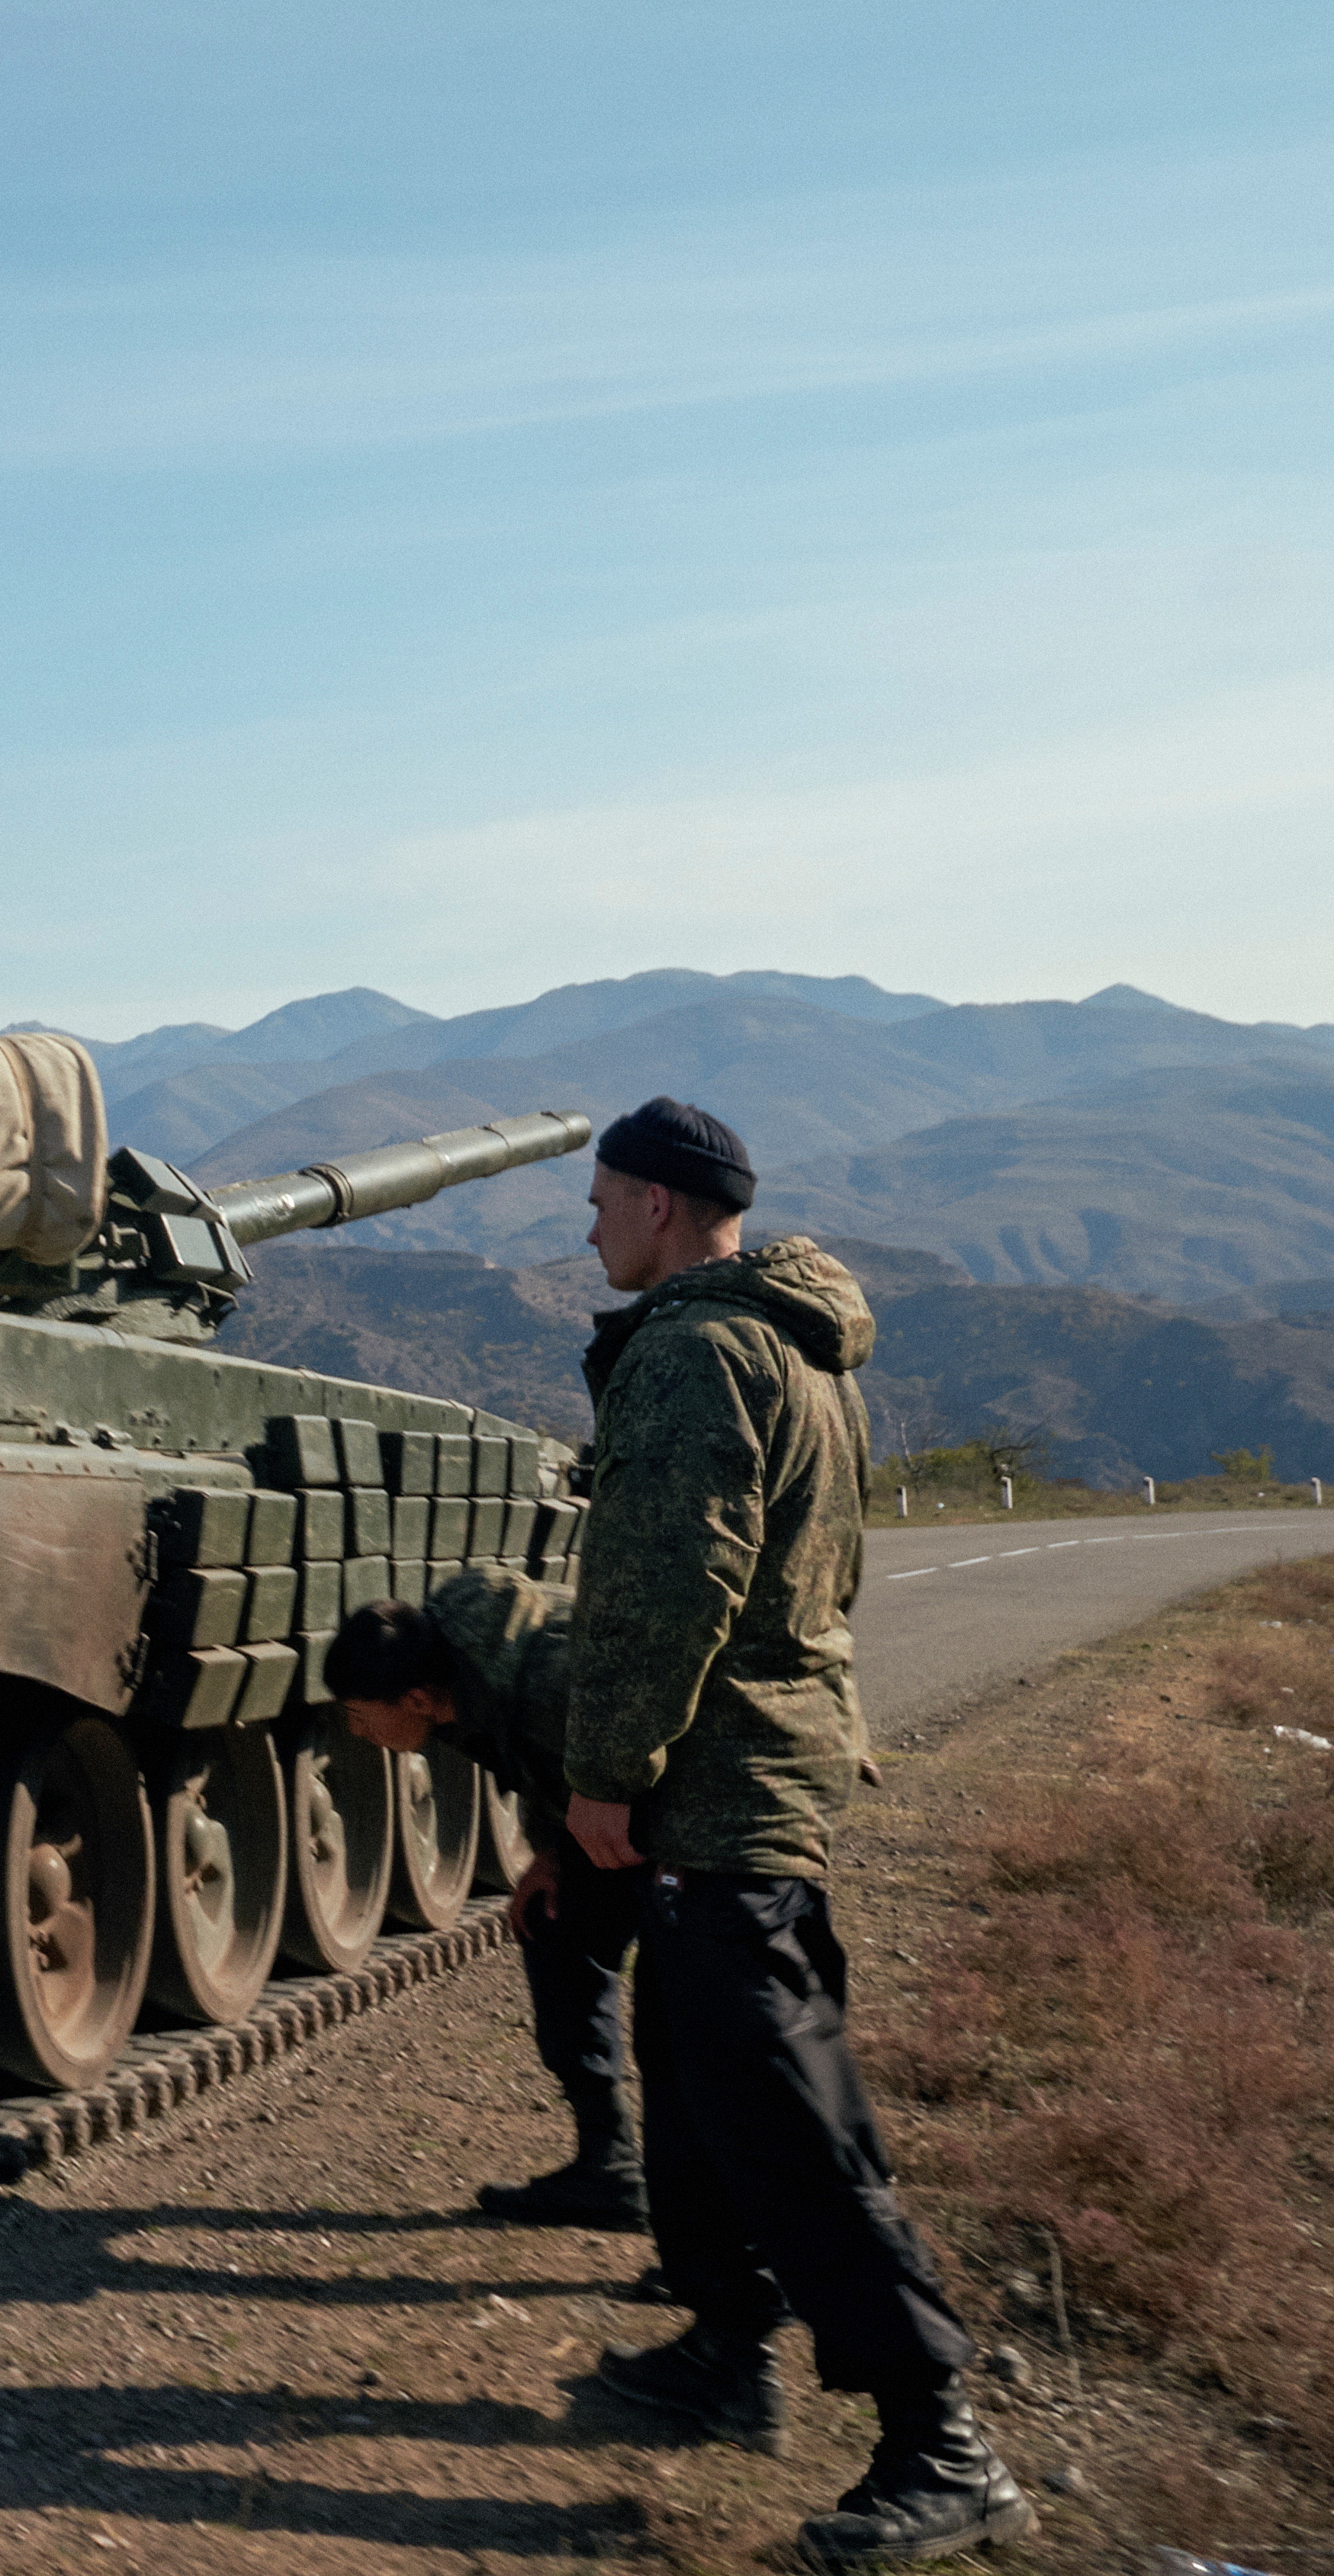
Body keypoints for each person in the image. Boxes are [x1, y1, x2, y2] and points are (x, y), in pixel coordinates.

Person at [564, 1096, 1027, 2566]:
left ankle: (938, 2439)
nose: (583, 1225)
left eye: (597, 1199)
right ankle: (722, 2344)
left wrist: (604, 1766)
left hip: (720, 1783)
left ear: (651, 1202)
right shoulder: (797, 1343)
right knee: (695, 2081)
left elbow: (667, 1586)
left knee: (781, 2112)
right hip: (758, 1768)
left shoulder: (698, 1349)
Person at [319, 1579, 648, 2231]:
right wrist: (553, 1852)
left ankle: (727, 2238)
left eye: (361, 1717)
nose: (359, 1734)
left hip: (691, 1812)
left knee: (693, 2009)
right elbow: (538, 1762)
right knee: (552, 1926)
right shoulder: (452, 1674)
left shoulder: (547, 1681)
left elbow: (632, 1756)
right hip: (618, 1799)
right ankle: (608, 2164)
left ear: (413, 1699)